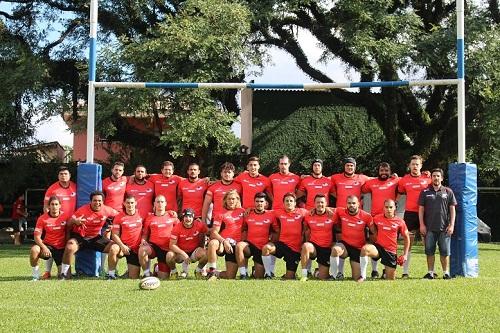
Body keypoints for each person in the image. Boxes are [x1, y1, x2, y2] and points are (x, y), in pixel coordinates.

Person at [60, 191, 118, 279]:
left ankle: (111, 275)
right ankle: (64, 274)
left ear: (103, 201)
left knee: (115, 247)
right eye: (95, 201)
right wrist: (75, 221)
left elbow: (120, 216)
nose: (97, 203)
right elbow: (68, 223)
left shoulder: (107, 210)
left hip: (95, 238)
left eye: (99, 201)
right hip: (80, 237)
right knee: (69, 247)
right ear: (91, 201)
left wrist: (113, 225)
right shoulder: (82, 210)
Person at [330, 157, 370, 279]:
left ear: (355, 167)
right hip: (342, 216)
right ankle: (338, 273)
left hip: (356, 215)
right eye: (347, 165)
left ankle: (362, 270)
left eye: (352, 166)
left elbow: (376, 179)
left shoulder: (362, 178)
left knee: (356, 276)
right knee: (339, 242)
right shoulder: (336, 177)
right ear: (344, 167)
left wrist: (396, 177)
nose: (349, 167)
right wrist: (304, 176)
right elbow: (321, 179)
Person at [361, 162, 399, 277]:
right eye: (381, 171)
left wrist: (425, 174)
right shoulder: (371, 183)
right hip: (375, 219)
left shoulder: (396, 180)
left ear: (390, 172)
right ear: (378, 172)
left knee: (390, 244)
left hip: (390, 219)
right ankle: (374, 270)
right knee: (374, 242)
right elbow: (361, 187)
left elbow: (410, 179)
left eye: (386, 171)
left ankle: (385, 269)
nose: (383, 173)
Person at [358, 199, 410, 282]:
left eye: (390, 207)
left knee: (390, 279)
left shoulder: (400, 222)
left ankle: (386, 272)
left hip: (390, 251)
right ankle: (362, 276)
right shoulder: (377, 218)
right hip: (378, 248)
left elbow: (407, 238)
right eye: (386, 207)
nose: (388, 209)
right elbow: (367, 222)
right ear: (383, 208)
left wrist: (405, 255)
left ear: (394, 208)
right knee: (365, 249)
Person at [418, 168, 457, 280]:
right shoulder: (425, 192)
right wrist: (422, 225)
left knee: (445, 252)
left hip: (444, 228)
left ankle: (446, 273)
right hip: (429, 228)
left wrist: (452, 225)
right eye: (434, 175)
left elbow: (452, 209)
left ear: (442, 178)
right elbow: (421, 210)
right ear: (431, 178)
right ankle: (430, 273)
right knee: (429, 251)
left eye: (438, 176)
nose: (436, 178)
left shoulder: (448, 191)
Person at [398, 155, 431, 278]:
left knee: (427, 243)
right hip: (410, 214)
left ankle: (430, 271)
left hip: (425, 213)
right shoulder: (404, 180)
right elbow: (399, 193)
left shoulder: (428, 179)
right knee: (408, 243)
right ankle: (405, 272)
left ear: (421, 166)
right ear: (409, 166)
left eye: (417, 164)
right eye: (413, 164)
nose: (415, 166)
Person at [262, 193, 307, 280]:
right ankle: (268, 274)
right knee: (266, 248)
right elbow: (264, 212)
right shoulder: (278, 212)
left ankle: (290, 274)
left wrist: (327, 208)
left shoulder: (303, 212)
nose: (289, 203)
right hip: (282, 244)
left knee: (289, 277)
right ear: (283, 203)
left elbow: (315, 211)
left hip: (295, 249)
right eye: (286, 201)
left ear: (295, 203)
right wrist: (251, 209)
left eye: (291, 201)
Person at [330, 195, 374, 280]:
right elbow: (327, 208)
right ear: (346, 204)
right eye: (349, 203)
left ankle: (361, 274)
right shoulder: (340, 211)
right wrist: (314, 209)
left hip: (358, 248)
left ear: (358, 204)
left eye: (354, 203)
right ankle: (334, 275)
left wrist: (371, 244)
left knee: (356, 277)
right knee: (335, 249)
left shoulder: (366, 216)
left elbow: (374, 232)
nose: (351, 205)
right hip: (345, 245)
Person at [235, 192, 278, 279]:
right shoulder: (247, 214)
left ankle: (255, 270)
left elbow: (276, 231)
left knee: (259, 277)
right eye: (257, 201)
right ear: (254, 202)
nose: (259, 203)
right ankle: (243, 274)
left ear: (266, 203)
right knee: (239, 246)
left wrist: (271, 242)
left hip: (262, 249)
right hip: (250, 245)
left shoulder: (271, 215)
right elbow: (243, 229)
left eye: (261, 201)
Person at [206, 190, 245, 280]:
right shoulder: (220, 214)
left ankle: (216, 273)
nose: (231, 201)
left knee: (230, 276)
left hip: (235, 245)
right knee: (213, 243)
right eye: (229, 199)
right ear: (225, 200)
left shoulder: (242, 212)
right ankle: (211, 271)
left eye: (233, 199)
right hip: (222, 243)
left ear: (237, 200)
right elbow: (214, 232)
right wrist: (224, 241)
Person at [139, 195, 179, 279]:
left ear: (165, 204)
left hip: (167, 248)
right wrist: (143, 240)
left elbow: (179, 230)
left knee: (163, 278)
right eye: (158, 202)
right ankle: (146, 274)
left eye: (162, 202)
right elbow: (145, 234)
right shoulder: (149, 217)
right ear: (154, 204)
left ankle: (157, 268)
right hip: (154, 246)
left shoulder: (172, 216)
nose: (160, 204)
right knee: (142, 249)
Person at [30, 196, 69, 280]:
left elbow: (71, 229)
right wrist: (44, 248)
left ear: (60, 205)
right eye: (52, 204)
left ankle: (60, 271)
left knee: (65, 276)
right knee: (34, 250)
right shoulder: (42, 218)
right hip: (48, 247)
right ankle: (35, 276)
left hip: (61, 249)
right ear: (48, 206)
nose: (54, 206)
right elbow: (36, 237)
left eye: (56, 204)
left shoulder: (66, 216)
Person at [300, 194, 335, 281]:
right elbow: (306, 230)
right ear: (314, 204)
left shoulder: (333, 214)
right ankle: (304, 275)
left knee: (323, 277)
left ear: (326, 203)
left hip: (326, 248)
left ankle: (316, 272)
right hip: (314, 246)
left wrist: (328, 209)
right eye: (318, 202)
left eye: (322, 202)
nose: (320, 204)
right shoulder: (308, 215)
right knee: (306, 246)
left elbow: (344, 210)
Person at [167, 208, 208, 279]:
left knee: (207, 254)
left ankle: (198, 271)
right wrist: (183, 254)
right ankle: (174, 273)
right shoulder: (177, 228)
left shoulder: (199, 224)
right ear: (183, 217)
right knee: (169, 255)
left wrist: (208, 241)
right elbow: (172, 245)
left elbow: (207, 232)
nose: (188, 219)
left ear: (193, 217)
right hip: (180, 253)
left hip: (194, 252)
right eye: (186, 216)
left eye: (190, 217)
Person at [109, 195, 144, 279]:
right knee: (113, 248)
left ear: (135, 203)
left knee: (133, 277)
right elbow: (114, 235)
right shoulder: (119, 217)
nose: (130, 205)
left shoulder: (141, 214)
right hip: (123, 246)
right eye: (128, 203)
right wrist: (122, 246)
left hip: (135, 248)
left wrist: (170, 212)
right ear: (124, 203)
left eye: (132, 203)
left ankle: (128, 273)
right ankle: (111, 275)